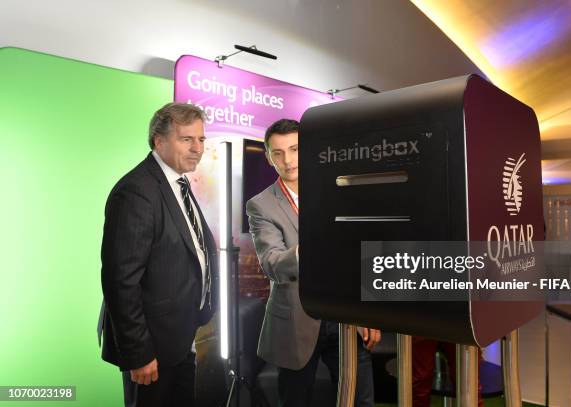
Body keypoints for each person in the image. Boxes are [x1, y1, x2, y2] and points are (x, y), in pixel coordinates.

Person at [246, 118, 380, 406]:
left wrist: (368, 312)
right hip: (296, 321)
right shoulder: (261, 204)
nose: (288, 160)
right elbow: (272, 263)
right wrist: (313, 246)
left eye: (294, 149)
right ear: (269, 158)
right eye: (278, 153)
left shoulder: (340, 188)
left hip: (346, 317)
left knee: (360, 400)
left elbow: (360, 250)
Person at [99, 102, 217, 407]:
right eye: (186, 139)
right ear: (159, 140)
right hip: (151, 350)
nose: (197, 149)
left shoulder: (178, 183)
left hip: (180, 338)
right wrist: (139, 354)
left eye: (201, 139)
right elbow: (120, 280)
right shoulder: (137, 191)